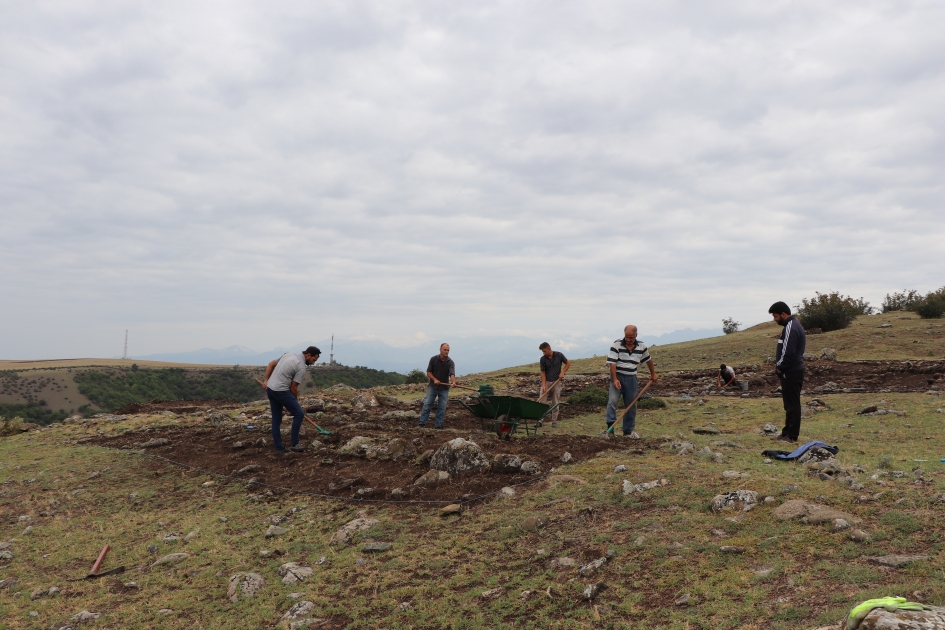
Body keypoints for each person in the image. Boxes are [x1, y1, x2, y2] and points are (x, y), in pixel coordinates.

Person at [261, 346, 321, 454]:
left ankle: (279, 448)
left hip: (270, 389)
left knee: (276, 420)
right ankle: (295, 443)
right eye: (313, 360)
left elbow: (271, 364)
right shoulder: (301, 366)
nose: (313, 363)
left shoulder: (288, 354)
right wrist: (295, 403)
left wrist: (266, 380)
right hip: (281, 391)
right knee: (299, 414)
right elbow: (293, 387)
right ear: (308, 355)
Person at [606, 325, 658, 435]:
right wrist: (615, 379)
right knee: (612, 401)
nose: (629, 340)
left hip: (631, 378)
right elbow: (612, 363)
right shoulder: (617, 344)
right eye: (627, 337)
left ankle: (628, 431)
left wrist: (653, 374)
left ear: (636, 335)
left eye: (631, 337)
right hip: (618, 376)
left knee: (631, 404)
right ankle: (610, 427)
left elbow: (648, 360)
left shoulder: (641, 346)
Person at [769, 301, 806, 443]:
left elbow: (788, 352)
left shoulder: (791, 327)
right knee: (789, 404)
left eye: (776, 316)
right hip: (791, 370)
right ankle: (786, 432)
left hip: (791, 371)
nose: (774, 319)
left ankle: (791, 436)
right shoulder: (791, 325)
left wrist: (780, 367)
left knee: (793, 404)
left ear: (784, 314)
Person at [418, 343, 456, 429]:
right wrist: (434, 379)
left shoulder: (450, 362)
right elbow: (428, 372)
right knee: (427, 404)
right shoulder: (433, 359)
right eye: (445, 350)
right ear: (440, 349)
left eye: (448, 350)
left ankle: (438, 426)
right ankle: (422, 424)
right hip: (433, 387)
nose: (446, 352)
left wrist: (453, 382)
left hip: (444, 388)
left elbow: (452, 373)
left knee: (442, 407)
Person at [538, 342, 570, 428]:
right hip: (547, 382)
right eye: (543, 351)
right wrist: (544, 385)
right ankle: (540, 420)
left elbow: (568, 363)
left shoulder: (559, 355)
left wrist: (562, 372)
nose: (544, 353)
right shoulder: (543, 359)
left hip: (556, 382)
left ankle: (554, 421)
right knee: (542, 402)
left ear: (549, 348)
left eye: (544, 351)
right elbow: (543, 372)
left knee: (555, 402)